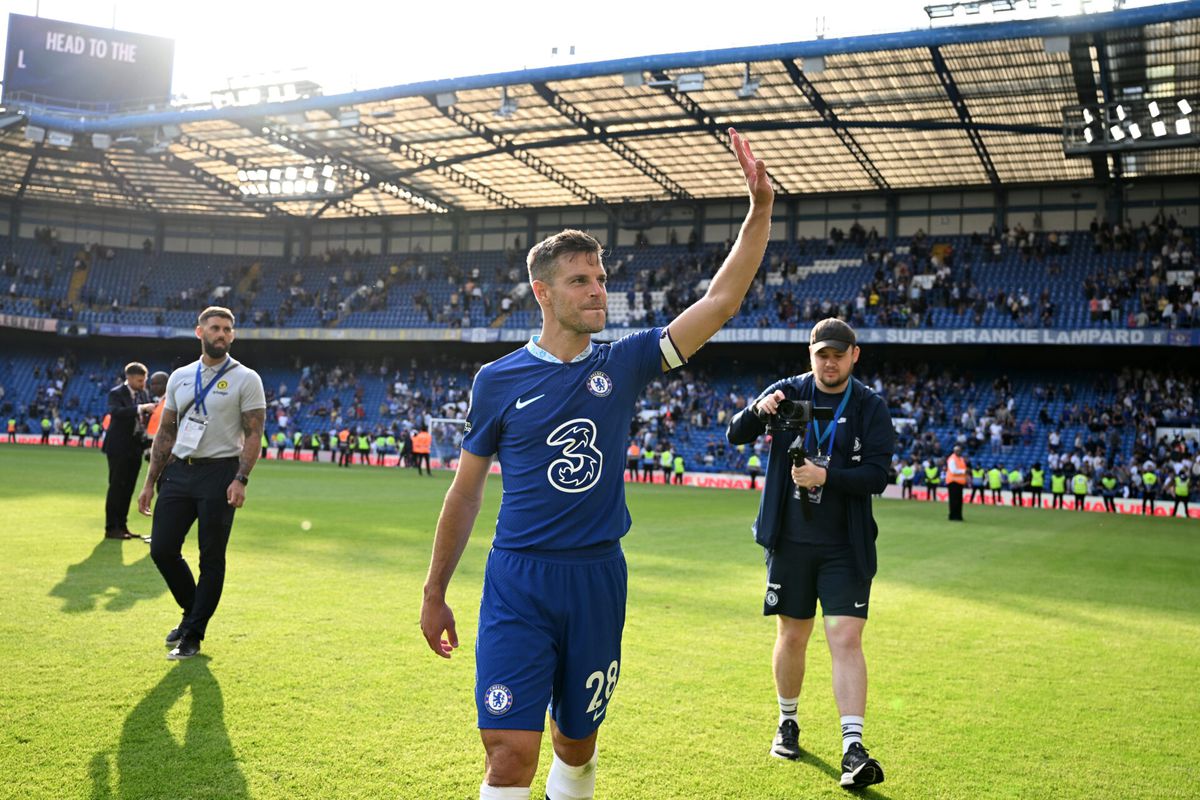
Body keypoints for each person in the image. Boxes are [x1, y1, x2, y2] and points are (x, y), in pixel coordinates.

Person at [419, 129, 772, 800]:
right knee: (508, 755)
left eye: (601, 279)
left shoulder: (625, 362)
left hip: (596, 579)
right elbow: (464, 495)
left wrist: (759, 212)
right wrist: (435, 592)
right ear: (542, 292)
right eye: (580, 280)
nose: (597, 291)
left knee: (574, 748)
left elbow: (720, 304)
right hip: (518, 577)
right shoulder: (498, 380)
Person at [726, 317, 893, 790]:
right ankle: (788, 722)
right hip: (791, 542)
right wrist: (760, 411)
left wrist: (828, 476)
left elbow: (879, 475)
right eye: (823, 354)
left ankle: (853, 748)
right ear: (811, 354)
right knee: (793, 636)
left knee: (845, 639)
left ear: (854, 355)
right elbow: (734, 434)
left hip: (845, 545)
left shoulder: (869, 406)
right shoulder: (788, 392)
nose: (831, 361)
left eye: (839, 354)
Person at [137, 307, 266, 661]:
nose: (221, 334)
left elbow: (255, 433)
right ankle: (194, 612)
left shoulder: (246, 378)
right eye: (215, 328)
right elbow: (165, 431)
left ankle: (192, 634)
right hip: (178, 471)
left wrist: (241, 478)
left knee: (211, 558)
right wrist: (149, 482)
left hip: (221, 474)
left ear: (232, 335)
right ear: (200, 332)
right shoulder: (180, 376)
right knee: (162, 549)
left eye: (227, 329)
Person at [103, 362, 156, 540]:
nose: (143, 384)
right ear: (130, 378)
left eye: (144, 380)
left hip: (135, 448)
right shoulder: (116, 393)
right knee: (117, 487)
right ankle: (111, 527)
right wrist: (141, 408)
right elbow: (116, 412)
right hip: (118, 448)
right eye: (140, 380)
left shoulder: (143, 394)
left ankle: (123, 526)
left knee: (128, 488)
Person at [945, 446, 967, 521]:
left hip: (959, 482)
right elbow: (953, 470)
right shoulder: (952, 459)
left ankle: (958, 516)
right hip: (953, 482)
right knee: (954, 500)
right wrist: (963, 471)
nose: (959, 452)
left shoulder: (961, 459)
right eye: (957, 450)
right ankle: (953, 516)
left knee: (959, 500)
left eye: (960, 450)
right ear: (954, 451)